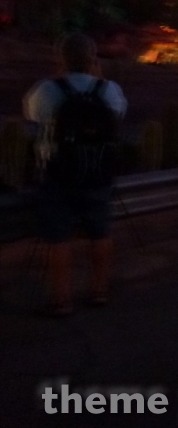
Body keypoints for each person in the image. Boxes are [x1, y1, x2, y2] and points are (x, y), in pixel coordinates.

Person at [24, 33, 127, 316]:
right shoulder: (110, 90)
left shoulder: (46, 89)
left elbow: (31, 116)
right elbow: (118, 118)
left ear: (61, 59)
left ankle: (61, 299)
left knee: (58, 238)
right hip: (97, 173)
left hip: (56, 175)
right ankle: (99, 291)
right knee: (100, 232)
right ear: (93, 59)